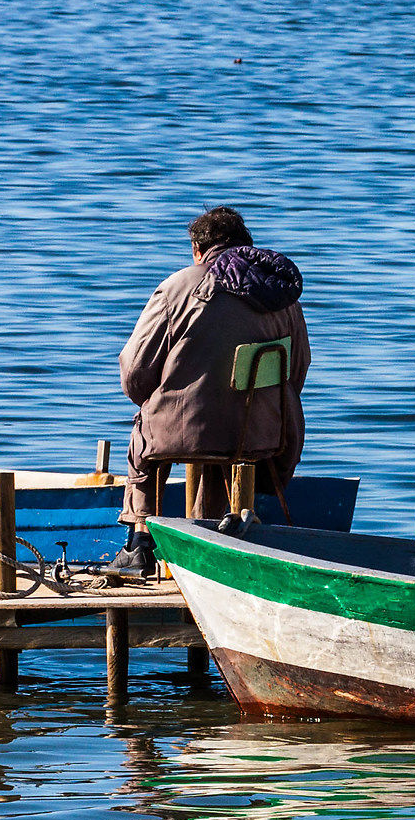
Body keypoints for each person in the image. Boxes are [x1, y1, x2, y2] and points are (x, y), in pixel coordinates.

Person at [110, 206, 311, 575]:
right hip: (266, 435)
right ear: (246, 245)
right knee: (222, 434)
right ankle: (219, 532)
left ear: (197, 249)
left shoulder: (178, 287)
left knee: (146, 430)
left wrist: (163, 396)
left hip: (185, 433)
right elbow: (297, 369)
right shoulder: (282, 294)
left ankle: (139, 542)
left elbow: (135, 375)